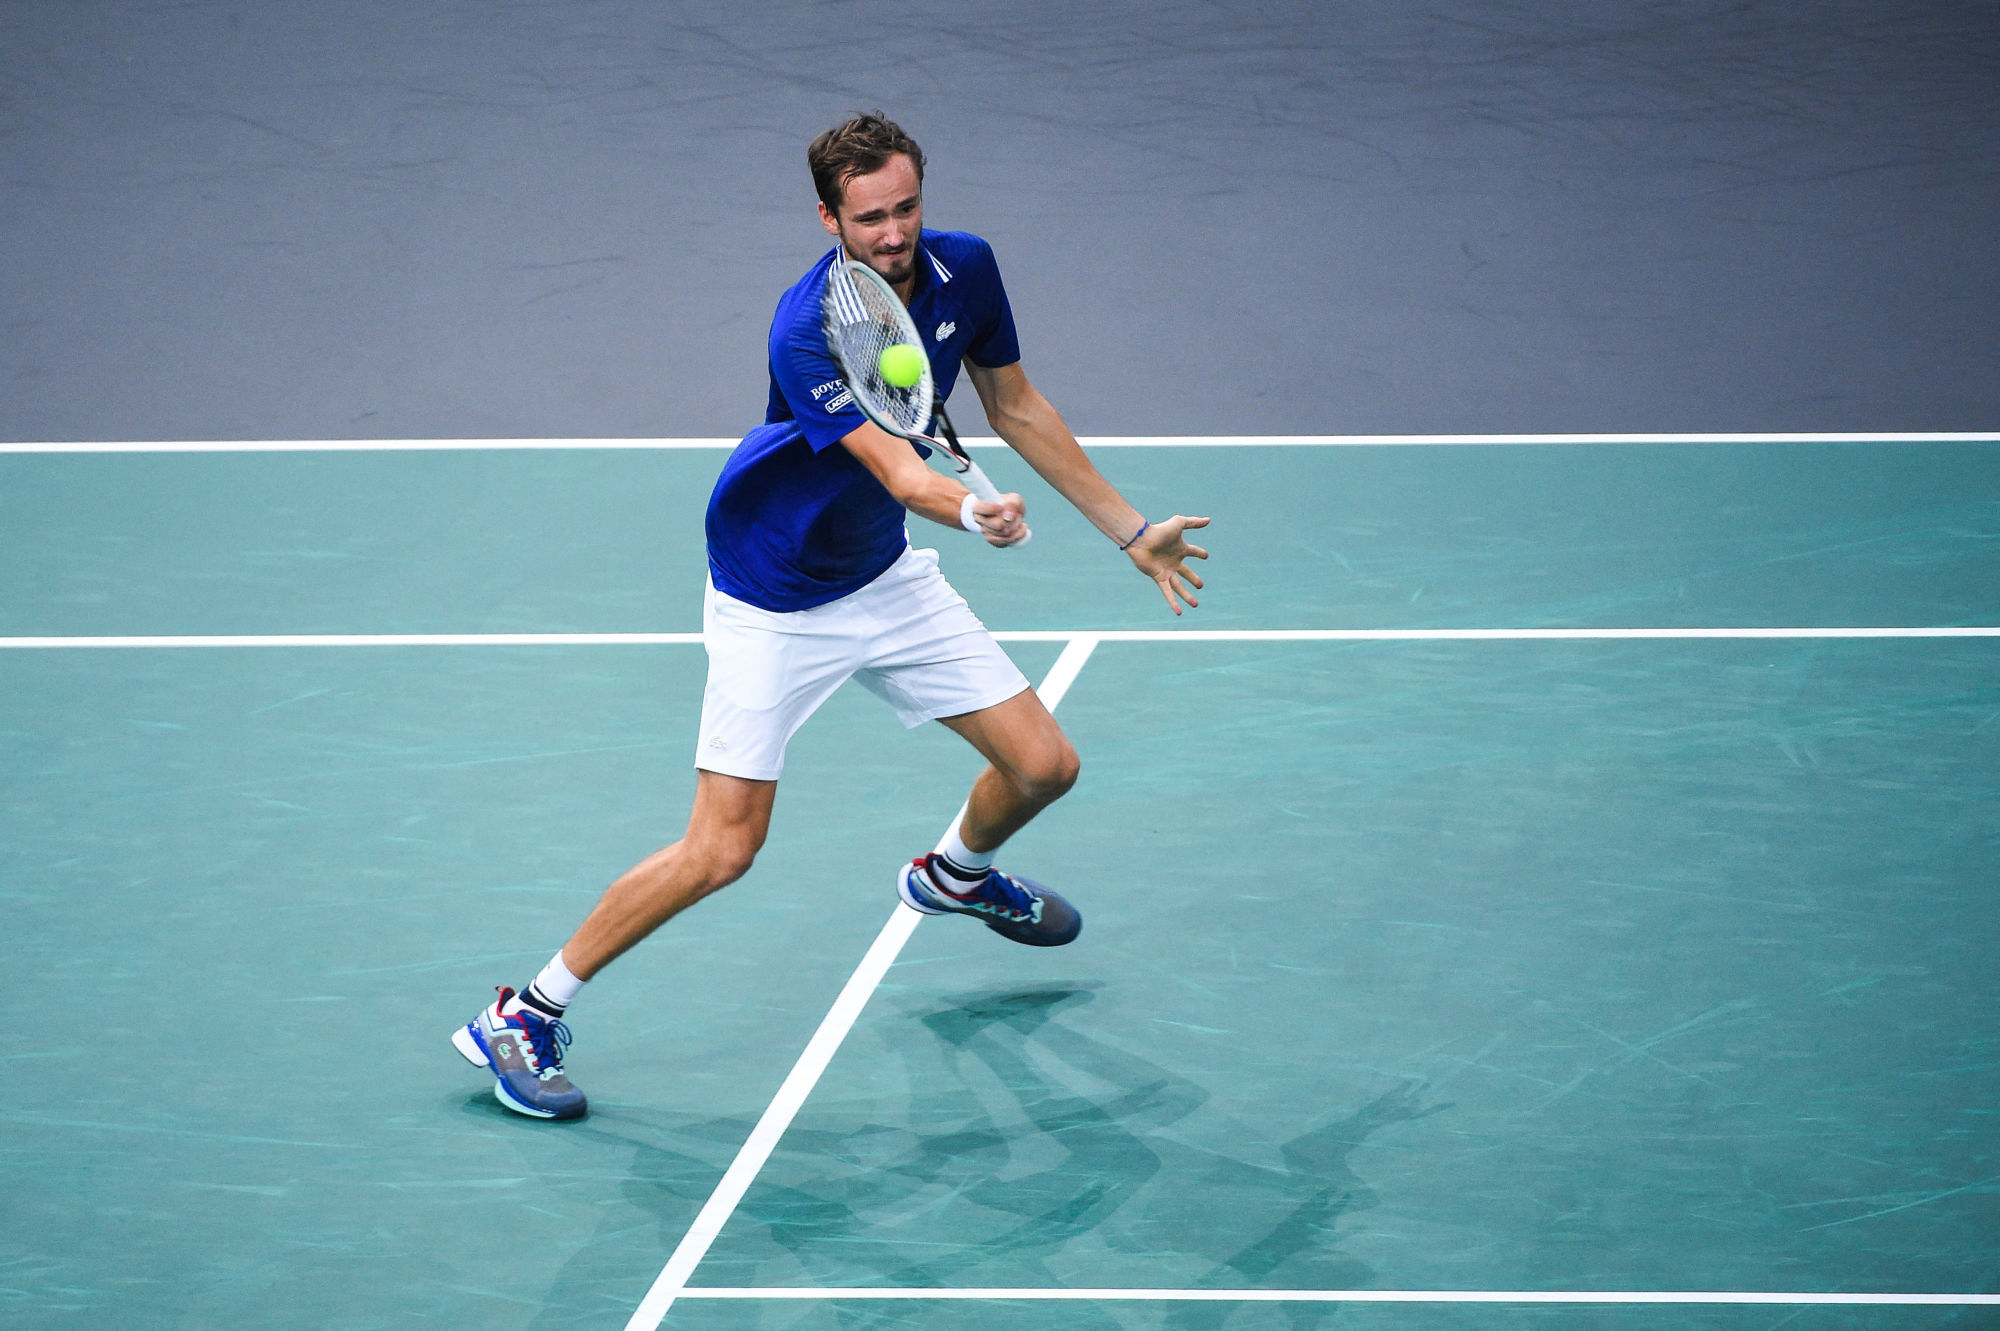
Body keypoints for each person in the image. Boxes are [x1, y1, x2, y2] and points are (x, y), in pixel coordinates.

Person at [453, 113, 1210, 1120]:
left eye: (906, 208)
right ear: (828, 219)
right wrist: (970, 511)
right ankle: (523, 1012)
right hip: (773, 590)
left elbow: (1016, 405)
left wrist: (1132, 532)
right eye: (868, 218)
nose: (893, 233)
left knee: (1044, 766)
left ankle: (955, 874)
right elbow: (899, 468)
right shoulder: (804, 325)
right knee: (723, 848)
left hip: (878, 572)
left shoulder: (966, 269)